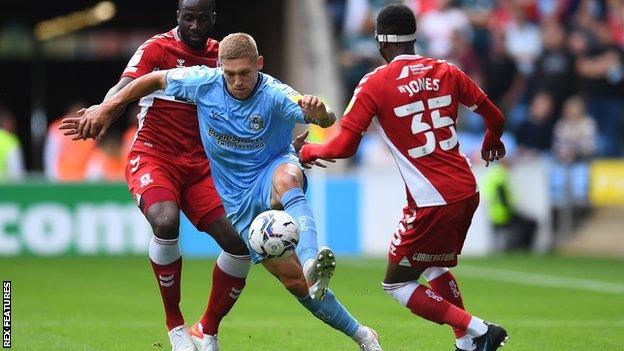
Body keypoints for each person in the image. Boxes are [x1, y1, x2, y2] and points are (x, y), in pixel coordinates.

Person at [61, 33, 382, 351]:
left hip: (269, 174)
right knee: (295, 282)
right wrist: (107, 107)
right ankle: (362, 334)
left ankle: (314, 263)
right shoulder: (203, 82)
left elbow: (326, 116)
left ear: (259, 65)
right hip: (236, 200)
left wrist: (318, 111)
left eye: (245, 73)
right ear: (219, 67)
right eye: (230, 74)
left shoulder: (274, 93)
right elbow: (154, 80)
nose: (238, 81)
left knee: (287, 179)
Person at [300, 5, 509, 351]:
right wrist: (491, 142)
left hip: (431, 199)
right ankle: (466, 343)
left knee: (397, 285)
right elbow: (495, 117)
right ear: (414, 37)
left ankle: (479, 329)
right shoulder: (447, 70)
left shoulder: (375, 82)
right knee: (434, 266)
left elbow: (345, 146)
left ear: (381, 42)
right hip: (466, 190)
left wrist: (307, 152)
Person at [62, 1, 252, 350]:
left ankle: (207, 330)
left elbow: (252, 102)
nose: (194, 25)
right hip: (154, 156)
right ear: (177, 17)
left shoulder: (224, 56)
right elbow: (125, 85)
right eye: (187, 18)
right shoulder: (157, 48)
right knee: (165, 222)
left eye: (201, 18)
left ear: (213, 19)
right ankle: (175, 324)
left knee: (240, 245)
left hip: (201, 167)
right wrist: (104, 111)